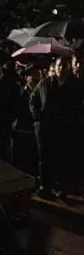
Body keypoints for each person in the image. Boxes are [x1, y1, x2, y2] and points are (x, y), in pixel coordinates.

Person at [30, 57, 84, 200]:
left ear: (69, 68)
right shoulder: (45, 82)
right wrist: (37, 117)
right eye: (59, 66)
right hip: (45, 128)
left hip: (65, 129)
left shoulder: (77, 85)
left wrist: (74, 121)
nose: (61, 69)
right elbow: (33, 99)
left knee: (63, 159)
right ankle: (45, 186)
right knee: (44, 158)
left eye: (64, 66)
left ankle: (61, 188)